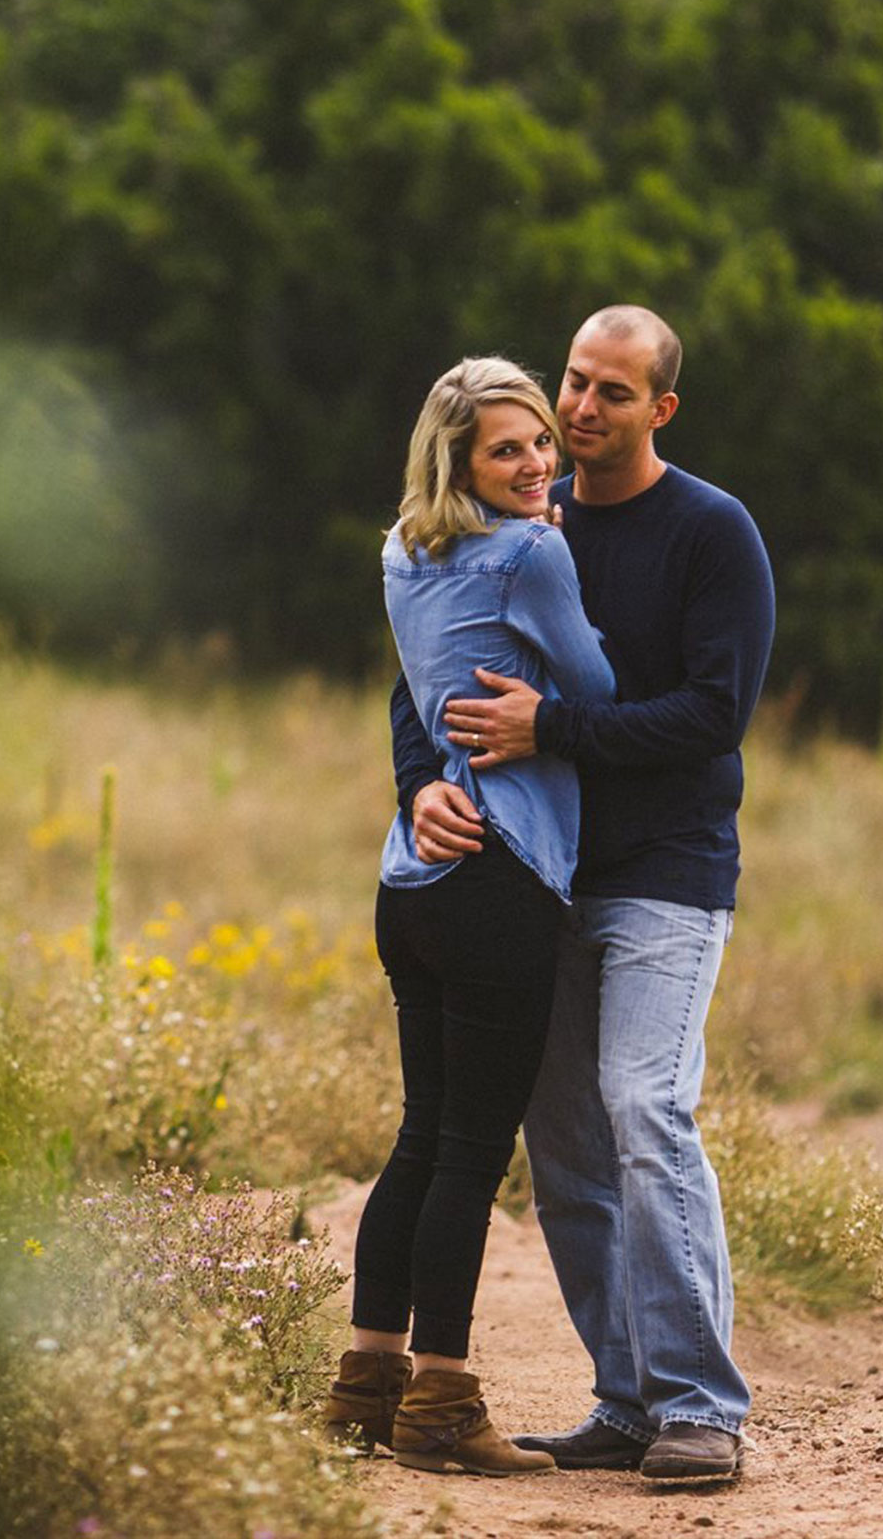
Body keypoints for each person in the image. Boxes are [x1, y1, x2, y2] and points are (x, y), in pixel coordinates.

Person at [406, 305, 775, 1486]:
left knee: (644, 1111)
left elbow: (717, 716)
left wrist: (551, 726)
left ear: (660, 408)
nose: (578, 410)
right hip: (539, 879)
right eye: (573, 381)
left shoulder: (713, 533)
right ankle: (628, 1402)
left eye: (614, 393)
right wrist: (419, 783)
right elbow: (427, 670)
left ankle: (702, 1405)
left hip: (668, 871)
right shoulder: (521, 518)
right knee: (561, 1139)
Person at [326, 356, 616, 1476]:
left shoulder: (402, 550)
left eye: (542, 440)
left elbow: (419, 687)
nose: (539, 463)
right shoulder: (536, 549)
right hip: (504, 871)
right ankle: (443, 1404)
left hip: (414, 879)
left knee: (419, 1134)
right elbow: (588, 692)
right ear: (460, 461)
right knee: (469, 1152)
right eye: (509, 449)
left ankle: (366, 1383)